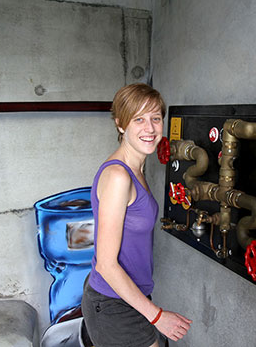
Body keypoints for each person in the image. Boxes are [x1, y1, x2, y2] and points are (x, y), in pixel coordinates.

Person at [81, 83, 192, 347]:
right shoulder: (119, 176)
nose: (150, 128)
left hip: (130, 296)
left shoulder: (137, 170)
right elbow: (106, 265)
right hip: (112, 304)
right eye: (139, 119)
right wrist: (158, 317)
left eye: (156, 118)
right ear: (121, 124)